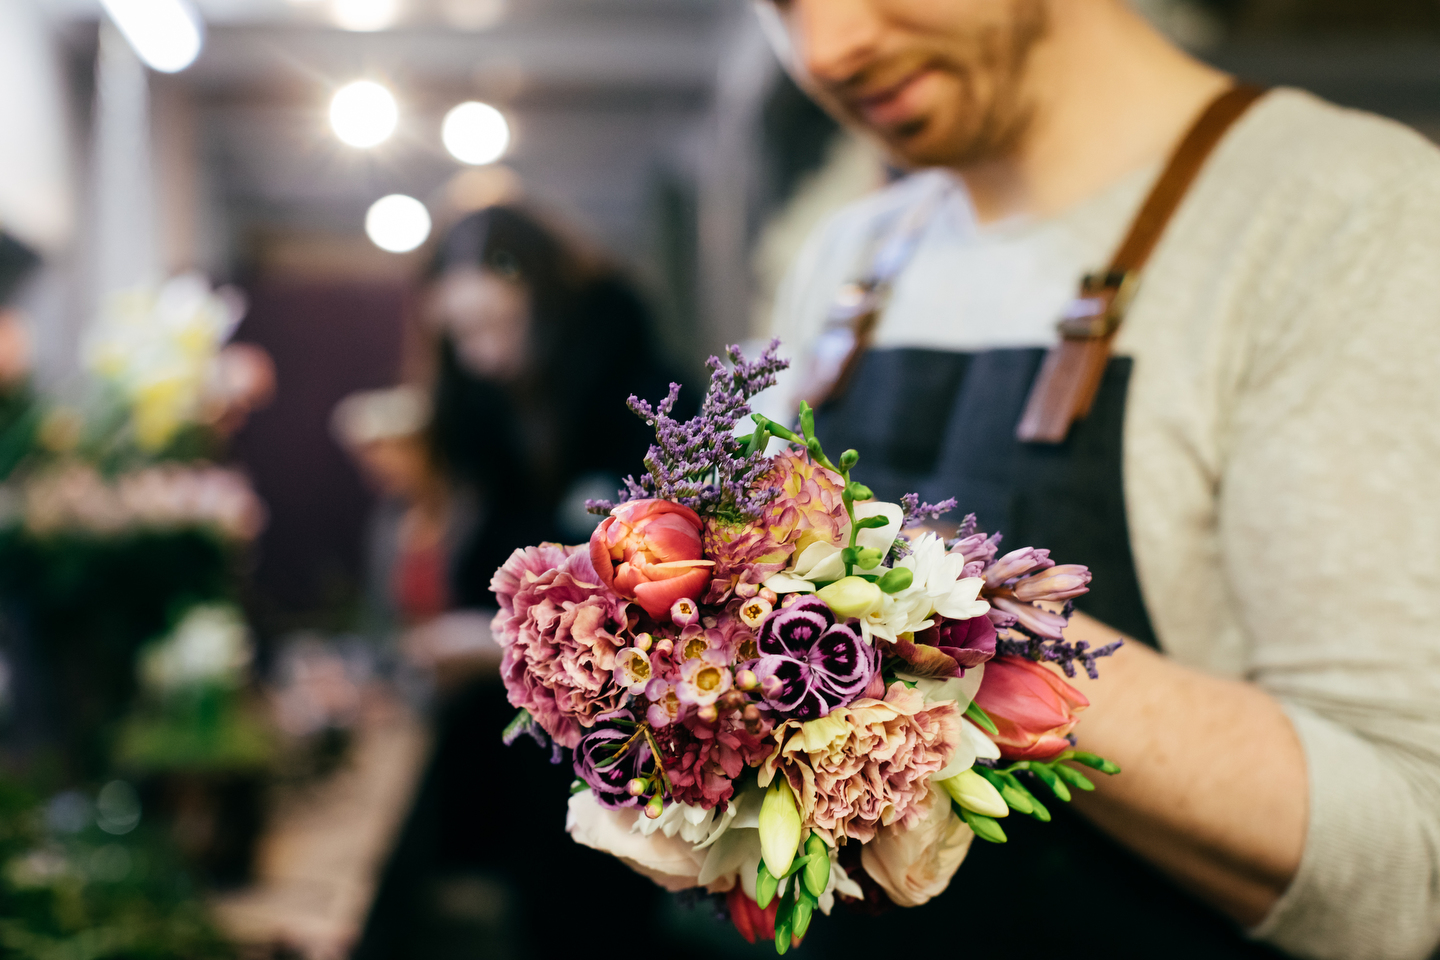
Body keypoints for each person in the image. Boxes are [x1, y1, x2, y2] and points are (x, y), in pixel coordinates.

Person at [757, 2, 1440, 959]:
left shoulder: (1345, 212)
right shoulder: (850, 255)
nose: (827, 48)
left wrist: (944, 622)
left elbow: (1412, 860)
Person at [353, 205, 701, 959]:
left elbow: (672, 601)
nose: (480, 356)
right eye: (462, 335)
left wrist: (489, 643)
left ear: (550, 303)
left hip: (638, 755)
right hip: (534, 759)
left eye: (497, 325)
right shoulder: (500, 421)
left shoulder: (653, 405)